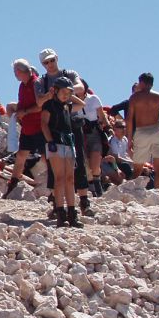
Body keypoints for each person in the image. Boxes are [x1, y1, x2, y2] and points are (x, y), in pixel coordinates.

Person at [35, 48, 91, 212]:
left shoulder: (69, 74)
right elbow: (39, 102)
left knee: (78, 162)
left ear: (57, 59)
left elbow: (80, 88)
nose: (50, 64)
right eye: (46, 62)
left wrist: (64, 89)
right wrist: (52, 93)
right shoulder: (41, 81)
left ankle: (83, 200)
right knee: (55, 168)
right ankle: (57, 203)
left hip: (71, 123)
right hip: (53, 125)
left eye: (52, 60)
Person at [3, 59, 46, 199]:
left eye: (16, 72)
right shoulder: (23, 85)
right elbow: (22, 103)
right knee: (21, 155)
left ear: (20, 72)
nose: (15, 74)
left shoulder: (36, 83)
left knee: (46, 158)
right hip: (28, 127)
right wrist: (19, 114)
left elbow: (41, 106)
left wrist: (25, 112)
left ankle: (54, 188)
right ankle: (12, 185)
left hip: (40, 127)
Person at [42, 77, 82, 228]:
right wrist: (50, 141)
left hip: (68, 143)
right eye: (63, 91)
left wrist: (69, 94)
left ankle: (72, 214)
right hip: (55, 143)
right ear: (56, 90)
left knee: (70, 179)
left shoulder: (67, 106)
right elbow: (44, 124)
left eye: (69, 92)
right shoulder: (49, 105)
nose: (66, 95)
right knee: (59, 178)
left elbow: (81, 104)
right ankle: (61, 214)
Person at [127, 72, 159, 189]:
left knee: (137, 168)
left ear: (141, 83)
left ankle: (133, 192)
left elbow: (130, 120)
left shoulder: (134, 97)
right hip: (157, 130)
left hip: (142, 131)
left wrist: (129, 140)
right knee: (158, 168)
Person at [75, 80, 110, 197]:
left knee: (95, 162)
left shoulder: (93, 99)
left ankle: (98, 188)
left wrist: (107, 126)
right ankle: (88, 190)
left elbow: (101, 115)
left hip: (94, 133)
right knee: (83, 163)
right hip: (79, 134)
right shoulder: (71, 102)